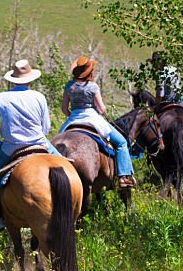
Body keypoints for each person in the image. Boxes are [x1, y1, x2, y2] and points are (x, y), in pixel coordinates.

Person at [0, 59, 61, 232]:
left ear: (13, 79)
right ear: (30, 79)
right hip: (40, 143)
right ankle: (79, 208)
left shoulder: (2, 97)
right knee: (68, 166)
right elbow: (45, 128)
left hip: (11, 148)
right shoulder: (39, 97)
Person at [58, 56, 135, 188]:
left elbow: (64, 109)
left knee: (58, 142)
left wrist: (73, 115)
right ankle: (123, 177)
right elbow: (101, 109)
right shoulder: (93, 87)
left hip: (73, 120)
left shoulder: (69, 86)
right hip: (92, 118)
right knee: (121, 142)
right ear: (89, 73)